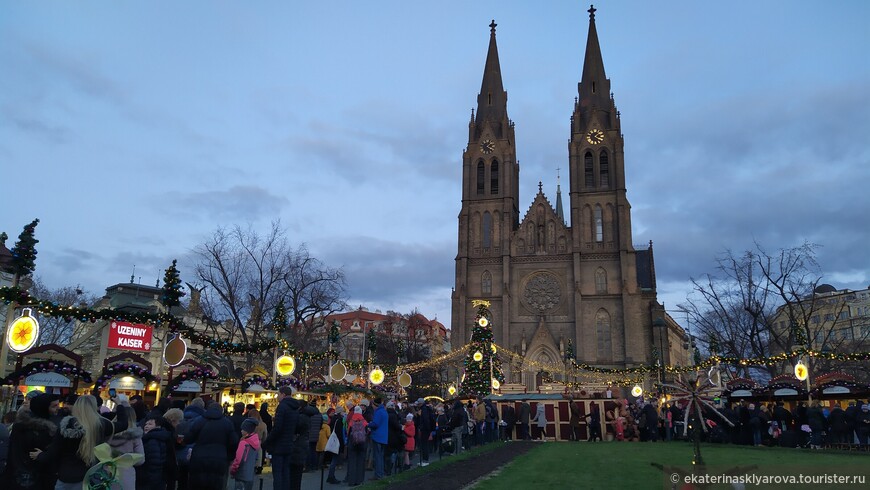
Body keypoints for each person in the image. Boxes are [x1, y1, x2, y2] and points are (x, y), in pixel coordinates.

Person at [33, 394, 128, 490]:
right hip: (90, 476)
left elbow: (55, 449)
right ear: (94, 407)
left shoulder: (66, 425)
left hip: (66, 476)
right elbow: (124, 424)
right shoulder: (101, 425)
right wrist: (119, 404)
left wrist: (40, 456)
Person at [184, 401, 238, 489]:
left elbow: (188, 439)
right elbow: (234, 442)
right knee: (216, 484)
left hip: (198, 458)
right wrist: (229, 457)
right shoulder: (227, 423)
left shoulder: (199, 421)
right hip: (219, 458)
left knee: (197, 484)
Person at [7, 393, 57, 490]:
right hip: (27, 476)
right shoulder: (24, 427)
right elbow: (16, 452)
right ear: (43, 407)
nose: (58, 408)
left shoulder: (52, 425)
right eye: (54, 406)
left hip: (37, 475)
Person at [262, 386, 300, 490]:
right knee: (286, 471)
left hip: (279, 445)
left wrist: (267, 441)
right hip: (289, 444)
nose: (277, 396)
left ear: (283, 394)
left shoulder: (282, 407)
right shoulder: (295, 408)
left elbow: (278, 427)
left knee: (278, 473)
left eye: (278, 394)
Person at [107, 394, 144, 490]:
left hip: (106, 474)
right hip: (126, 475)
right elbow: (140, 460)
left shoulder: (108, 433)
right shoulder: (135, 436)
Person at [175, 398, 205, 490]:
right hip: (195, 453)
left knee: (182, 479)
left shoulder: (181, 416)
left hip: (179, 452)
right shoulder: (203, 419)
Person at [139, 414, 174, 490]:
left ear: (158, 426)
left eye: (150, 424)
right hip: (158, 478)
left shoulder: (152, 440)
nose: (146, 426)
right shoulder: (160, 437)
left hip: (150, 479)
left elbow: (154, 462)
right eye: (146, 424)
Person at [291, 399, 318, 489]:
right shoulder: (308, 416)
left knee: (294, 474)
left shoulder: (301, 417)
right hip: (306, 441)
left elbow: (296, 429)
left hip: (298, 446)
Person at [230, 418, 261, 490]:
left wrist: (232, 470)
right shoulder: (256, 442)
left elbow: (238, 459)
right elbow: (256, 458)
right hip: (250, 475)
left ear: (247, 431)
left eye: (243, 429)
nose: (241, 431)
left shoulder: (243, 443)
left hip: (241, 474)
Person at [345, 406, 368, 487]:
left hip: (352, 443)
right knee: (361, 462)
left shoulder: (351, 421)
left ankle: (351, 481)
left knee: (352, 462)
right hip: (362, 444)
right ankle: (359, 480)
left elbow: (348, 432)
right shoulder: (364, 421)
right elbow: (367, 432)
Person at [366, 397, 388, 480]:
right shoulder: (384, 411)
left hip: (377, 437)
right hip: (383, 437)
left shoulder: (378, 412)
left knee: (377, 456)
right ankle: (381, 473)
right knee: (381, 456)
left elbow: (375, 424)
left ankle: (378, 475)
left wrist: (368, 424)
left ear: (375, 405)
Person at [325, 406, 346, 485]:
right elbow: (339, 433)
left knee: (333, 459)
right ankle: (331, 476)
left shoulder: (333, 418)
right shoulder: (339, 420)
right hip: (337, 441)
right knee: (334, 460)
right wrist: (342, 444)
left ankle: (330, 476)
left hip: (333, 440)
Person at [245, 408, 268, 474]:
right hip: (258, 443)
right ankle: (258, 467)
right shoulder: (263, 425)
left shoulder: (247, 423)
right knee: (258, 457)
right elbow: (265, 436)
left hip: (248, 443)